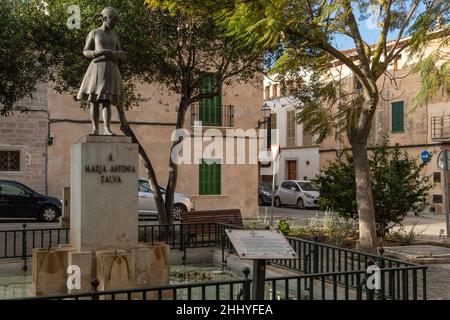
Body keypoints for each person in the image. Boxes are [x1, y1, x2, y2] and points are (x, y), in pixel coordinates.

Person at [77, 7, 126, 135]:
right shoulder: (94, 33)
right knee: (94, 100)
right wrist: (96, 53)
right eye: (113, 20)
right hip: (97, 69)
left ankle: (107, 129)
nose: (115, 23)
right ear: (105, 18)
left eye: (116, 20)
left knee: (106, 100)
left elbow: (121, 51)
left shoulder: (115, 35)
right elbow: (85, 51)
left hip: (111, 69)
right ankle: (95, 129)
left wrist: (116, 54)